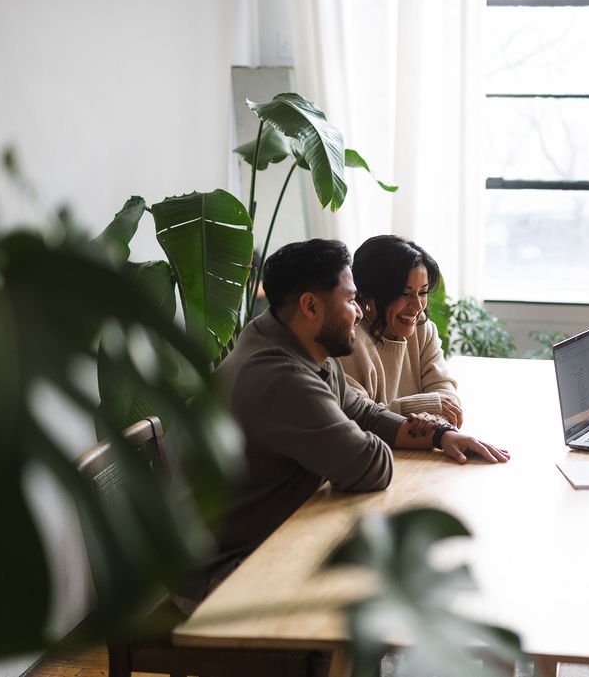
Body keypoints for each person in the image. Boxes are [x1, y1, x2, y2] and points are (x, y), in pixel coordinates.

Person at [179, 238, 507, 604]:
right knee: (380, 583)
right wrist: (367, 432)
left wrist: (440, 435)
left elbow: (365, 412)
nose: (361, 312)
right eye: (351, 300)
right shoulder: (281, 377)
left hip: (267, 537)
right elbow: (369, 465)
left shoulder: (298, 343)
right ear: (311, 306)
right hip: (225, 570)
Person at [339, 235, 463, 427]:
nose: (417, 306)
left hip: (419, 449)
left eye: (423, 292)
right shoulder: (347, 340)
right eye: (404, 293)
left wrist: (432, 424)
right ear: (366, 294)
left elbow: (446, 397)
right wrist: (426, 407)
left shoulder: (423, 329)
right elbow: (359, 416)